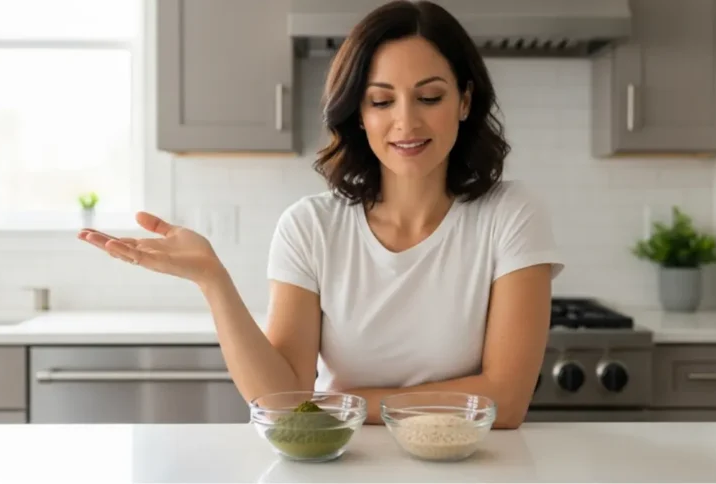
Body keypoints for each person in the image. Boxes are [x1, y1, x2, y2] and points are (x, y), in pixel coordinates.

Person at [78, 0, 563, 429]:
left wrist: (336, 404)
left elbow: (507, 399)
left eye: (429, 97)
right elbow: (281, 400)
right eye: (381, 100)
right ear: (359, 113)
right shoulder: (310, 227)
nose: (407, 121)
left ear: (464, 101)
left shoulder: (511, 214)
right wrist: (214, 281)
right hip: (339, 466)